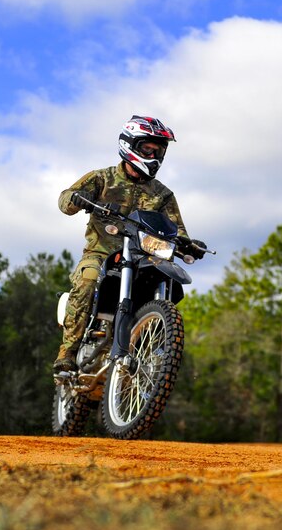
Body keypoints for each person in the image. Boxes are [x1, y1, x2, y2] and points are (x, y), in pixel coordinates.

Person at [53, 115, 204, 374]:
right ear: (130, 144)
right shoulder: (102, 178)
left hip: (144, 256)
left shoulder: (163, 194)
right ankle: (67, 352)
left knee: (169, 284)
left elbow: (177, 231)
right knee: (88, 279)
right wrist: (79, 198)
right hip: (102, 253)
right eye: (148, 148)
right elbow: (65, 200)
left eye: (159, 150)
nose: (154, 155)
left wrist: (188, 245)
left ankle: (152, 355)